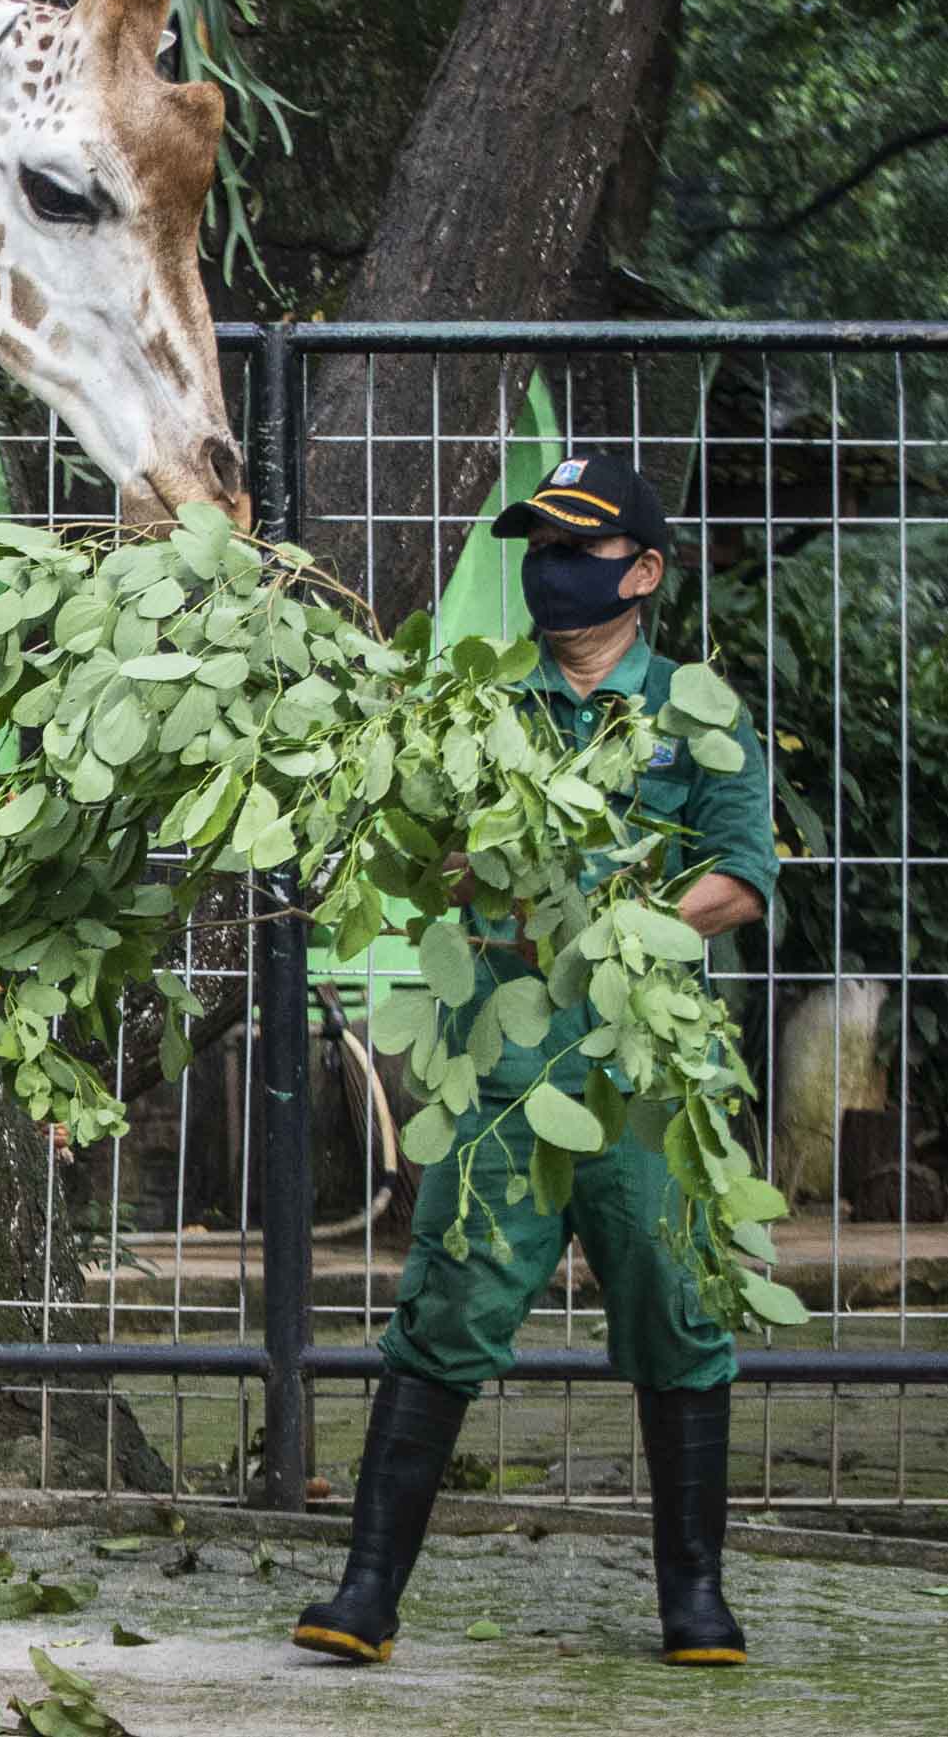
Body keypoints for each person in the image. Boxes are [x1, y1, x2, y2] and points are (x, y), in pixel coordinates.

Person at [293, 452, 774, 1670]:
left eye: (578, 551)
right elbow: (427, 858)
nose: (552, 572)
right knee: (447, 1308)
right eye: (539, 551)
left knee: (676, 1310)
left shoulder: (698, 716)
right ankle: (365, 1591)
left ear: (643, 571)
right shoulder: (483, 709)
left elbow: (740, 879)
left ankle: (696, 1598)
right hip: (503, 1078)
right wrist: (465, 873)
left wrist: (615, 920)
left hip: (646, 1082)